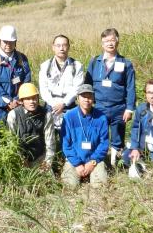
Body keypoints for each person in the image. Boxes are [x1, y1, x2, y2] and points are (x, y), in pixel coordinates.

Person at [86, 28, 136, 168]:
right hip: (98, 107)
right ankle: (98, 163)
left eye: (112, 40)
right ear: (102, 44)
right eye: (106, 41)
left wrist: (130, 109)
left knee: (117, 138)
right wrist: (87, 105)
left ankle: (114, 164)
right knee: (97, 136)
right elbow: (87, 85)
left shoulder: (126, 63)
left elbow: (131, 87)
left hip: (119, 107)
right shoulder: (95, 62)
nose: (110, 43)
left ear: (118, 41)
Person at [60, 84, 109, 189]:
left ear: (93, 98)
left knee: (100, 186)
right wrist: (77, 164)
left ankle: (90, 174)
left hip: (94, 160)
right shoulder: (69, 116)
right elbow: (66, 144)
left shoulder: (101, 118)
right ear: (77, 98)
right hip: (74, 160)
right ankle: (79, 174)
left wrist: (92, 162)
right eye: (83, 96)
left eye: (90, 96)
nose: (87, 99)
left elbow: (104, 144)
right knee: (69, 186)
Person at [0, 25, 32, 129]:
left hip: (19, 104)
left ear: (15, 42)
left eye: (11, 42)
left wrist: (17, 99)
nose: (8, 44)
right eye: (5, 41)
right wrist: (8, 102)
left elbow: (26, 79)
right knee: (0, 135)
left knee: (19, 134)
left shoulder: (22, 58)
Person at [38, 34, 84, 133]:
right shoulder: (45, 66)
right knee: (49, 136)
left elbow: (77, 88)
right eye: (58, 45)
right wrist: (54, 104)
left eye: (64, 45)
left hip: (69, 106)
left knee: (70, 135)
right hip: (50, 106)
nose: (61, 48)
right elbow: (43, 89)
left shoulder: (77, 66)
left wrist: (63, 103)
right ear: (53, 47)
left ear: (68, 47)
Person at [7, 82, 55, 170]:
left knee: (48, 182)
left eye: (34, 98)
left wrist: (47, 163)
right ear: (21, 101)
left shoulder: (47, 114)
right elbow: (12, 142)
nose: (32, 101)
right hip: (21, 159)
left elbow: (50, 142)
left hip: (41, 158)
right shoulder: (13, 115)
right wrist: (20, 160)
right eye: (28, 99)